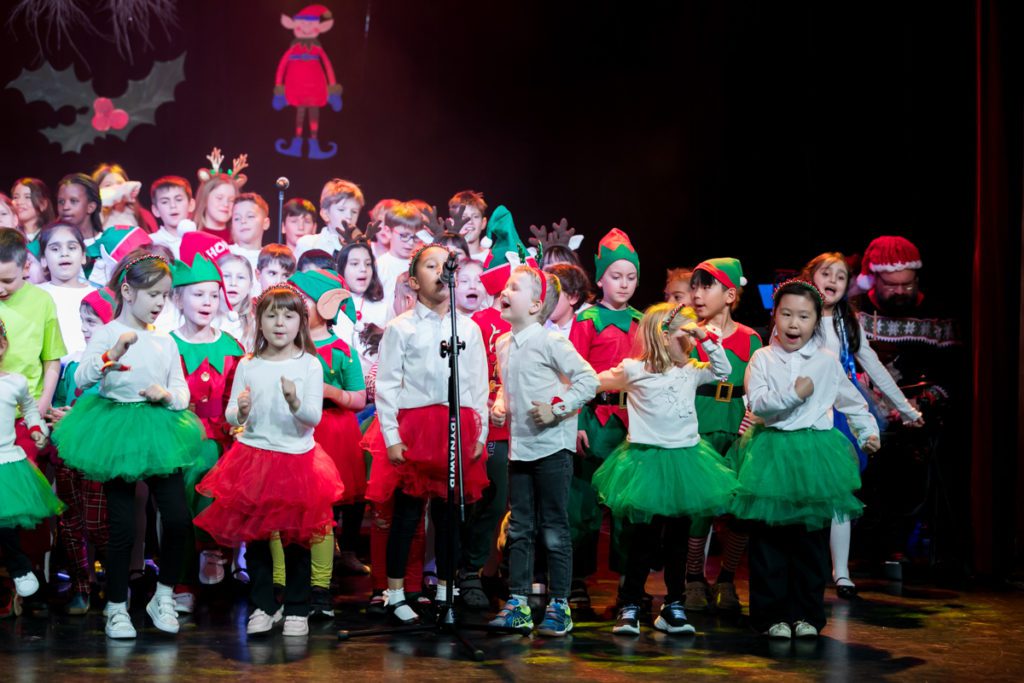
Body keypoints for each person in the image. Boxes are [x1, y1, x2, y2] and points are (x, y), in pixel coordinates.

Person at [51, 251, 205, 639]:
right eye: (152, 294)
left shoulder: (166, 341)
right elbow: (82, 378)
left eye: (164, 295)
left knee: (177, 519)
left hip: (158, 430)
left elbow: (181, 390)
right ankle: (117, 606)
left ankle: (163, 595)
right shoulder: (107, 333)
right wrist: (112, 354)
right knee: (121, 526)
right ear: (127, 291)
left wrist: (166, 396)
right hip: (116, 429)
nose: (159, 302)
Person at [732, 280, 879, 639]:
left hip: (814, 454)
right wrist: (794, 394)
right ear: (775, 316)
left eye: (803, 316)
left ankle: (807, 614)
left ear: (816, 320)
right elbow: (759, 403)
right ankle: (771, 616)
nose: (793, 324)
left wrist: (867, 432)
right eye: (786, 314)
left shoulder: (826, 361)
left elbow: (851, 400)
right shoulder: (763, 358)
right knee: (771, 540)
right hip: (773, 453)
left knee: (810, 541)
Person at [195, 284, 344, 636]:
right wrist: (241, 411)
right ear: (259, 321)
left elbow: (312, 418)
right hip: (253, 460)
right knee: (257, 541)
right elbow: (232, 415)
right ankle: (263, 605)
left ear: (300, 322)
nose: (280, 323)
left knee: (297, 540)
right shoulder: (249, 364)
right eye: (271, 315)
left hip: (296, 461)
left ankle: (297, 608)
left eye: (288, 316)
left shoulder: (309, 364)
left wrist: (294, 402)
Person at [592, 303, 736, 636]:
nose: (691, 341)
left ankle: (673, 605)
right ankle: (630, 603)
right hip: (647, 464)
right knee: (642, 540)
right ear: (664, 336)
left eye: (693, 336)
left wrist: (705, 339)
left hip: (685, 463)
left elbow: (723, 370)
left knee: (678, 541)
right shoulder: (635, 370)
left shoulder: (692, 370)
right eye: (686, 335)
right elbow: (596, 382)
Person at [369, 243, 489, 624]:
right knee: (407, 514)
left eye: (445, 266)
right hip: (416, 429)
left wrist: (481, 434)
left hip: (456, 426)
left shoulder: (467, 328)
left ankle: (445, 591)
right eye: (431, 266)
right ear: (414, 281)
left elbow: (478, 386)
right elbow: (388, 386)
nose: (440, 272)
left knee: (449, 515)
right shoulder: (401, 328)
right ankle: (395, 592)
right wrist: (391, 436)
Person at [803, 252, 923, 598]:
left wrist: (905, 409)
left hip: (840, 411)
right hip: (806, 410)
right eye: (826, 273)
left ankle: (841, 572)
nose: (833, 281)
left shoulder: (847, 322)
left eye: (841, 277)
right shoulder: (798, 313)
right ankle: (809, 566)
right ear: (811, 277)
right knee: (807, 492)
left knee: (841, 491)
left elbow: (873, 365)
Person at [487, 266, 599, 636]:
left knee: (553, 527)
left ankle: (559, 604)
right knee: (520, 527)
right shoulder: (504, 344)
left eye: (515, 287)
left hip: (551, 449)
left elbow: (588, 380)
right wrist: (500, 405)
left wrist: (558, 408)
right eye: (506, 286)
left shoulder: (552, 341)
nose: (505, 292)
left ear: (536, 305)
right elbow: (506, 386)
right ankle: (518, 602)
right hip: (520, 449)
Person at [850, 235, 961, 578]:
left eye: (907, 285)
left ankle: (896, 545)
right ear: (873, 279)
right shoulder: (853, 309)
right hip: (859, 412)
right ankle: (858, 548)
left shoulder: (936, 313)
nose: (900, 292)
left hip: (915, 418)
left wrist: (920, 403)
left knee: (906, 467)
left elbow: (954, 376)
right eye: (891, 285)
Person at [168, 245, 246, 611]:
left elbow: (239, 395)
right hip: (178, 436)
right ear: (178, 299)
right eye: (198, 295)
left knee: (217, 476)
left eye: (214, 295)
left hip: (223, 435)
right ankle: (181, 578)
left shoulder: (231, 346)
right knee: (182, 499)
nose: (207, 302)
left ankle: (216, 551)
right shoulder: (168, 345)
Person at [568, 228, 641, 609]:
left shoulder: (644, 321)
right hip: (594, 421)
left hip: (633, 423)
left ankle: (629, 585)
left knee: (628, 507)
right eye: (616, 276)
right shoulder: (587, 320)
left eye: (631, 277)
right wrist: (577, 423)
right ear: (600, 279)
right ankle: (576, 581)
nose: (624, 284)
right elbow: (572, 376)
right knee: (583, 504)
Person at [288, 268, 368, 619]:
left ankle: (329, 569)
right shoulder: (289, 348)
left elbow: (359, 398)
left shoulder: (341, 350)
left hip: (333, 430)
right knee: (301, 503)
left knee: (331, 503)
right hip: (299, 429)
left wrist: (332, 392)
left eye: (303, 300)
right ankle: (299, 572)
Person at [684, 257, 763, 612]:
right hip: (698, 426)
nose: (697, 294)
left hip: (736, 431)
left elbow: (760, 386)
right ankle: (693, 578)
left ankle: (727, 580)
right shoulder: (689, 335)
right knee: (698, 508)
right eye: (694, 287)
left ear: (730, 295)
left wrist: (754, 416)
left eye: (707, 286)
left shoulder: (750, 338)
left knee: (740, 509)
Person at [0, 319, 66, 609]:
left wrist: (37, 428)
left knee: (5, 521)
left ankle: (20, 568)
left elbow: (28, 407)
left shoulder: (14, 382)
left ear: (2, 346)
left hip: (6, 461)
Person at [35, 223, 93, 359]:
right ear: (43, 259)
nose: (64, 253)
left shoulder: (96, 295)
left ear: (83, 256)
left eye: (72, 248)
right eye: (55, 249)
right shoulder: (36, 295)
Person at [296, 178, 364, 257]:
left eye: (354, 212)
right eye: (341, 210)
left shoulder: (361, 248)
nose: (349, 216)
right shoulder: (309, 245)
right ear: (325, 214)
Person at [149, 176, 197, 259]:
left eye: (178, 200)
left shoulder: (202, 240)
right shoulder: (151, 243)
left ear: (191, 205)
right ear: (156, 210)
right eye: (165, 202)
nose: (173, 205)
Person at [543, 262, 591, 338]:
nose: (547, 299)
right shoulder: (538, 327)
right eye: (545, 293)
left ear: (573, 297)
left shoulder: (584, 332)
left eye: (554, 293)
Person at [230, 193, 271, 273]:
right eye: (237, 218)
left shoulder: (272, 259)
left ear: (265, 223)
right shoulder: (224, 254)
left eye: (250, 216)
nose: (243, 221)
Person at [448, 190, 490, 263]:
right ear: (451, 223)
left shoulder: (495, 260)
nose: (470, 221)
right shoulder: (442, 258)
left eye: (475, 216)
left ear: (483, 223)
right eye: (463, 216)